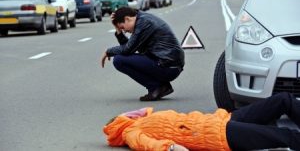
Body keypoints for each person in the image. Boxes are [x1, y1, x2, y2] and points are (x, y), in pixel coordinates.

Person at [103, 92, 300, 151]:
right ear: (122, 120)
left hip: (220, 119)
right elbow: (148, 145)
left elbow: (145, 111)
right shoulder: (130, 133)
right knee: (285, 136)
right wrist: (171, 149)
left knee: (283, 100)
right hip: (217, 136)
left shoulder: (145, 119)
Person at [101, 7, 185, 101]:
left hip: (168, 66)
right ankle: (161, 86)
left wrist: (108, 52)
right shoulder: (141, 19)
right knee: (121, 58)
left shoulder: (144, 23)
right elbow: (128, 49)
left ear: (127, 19)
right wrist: (118, 30)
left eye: (122, 27)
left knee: (118, 60)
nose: (124, 31)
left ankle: (156, 87)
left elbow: (127, 50)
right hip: (167, 64)